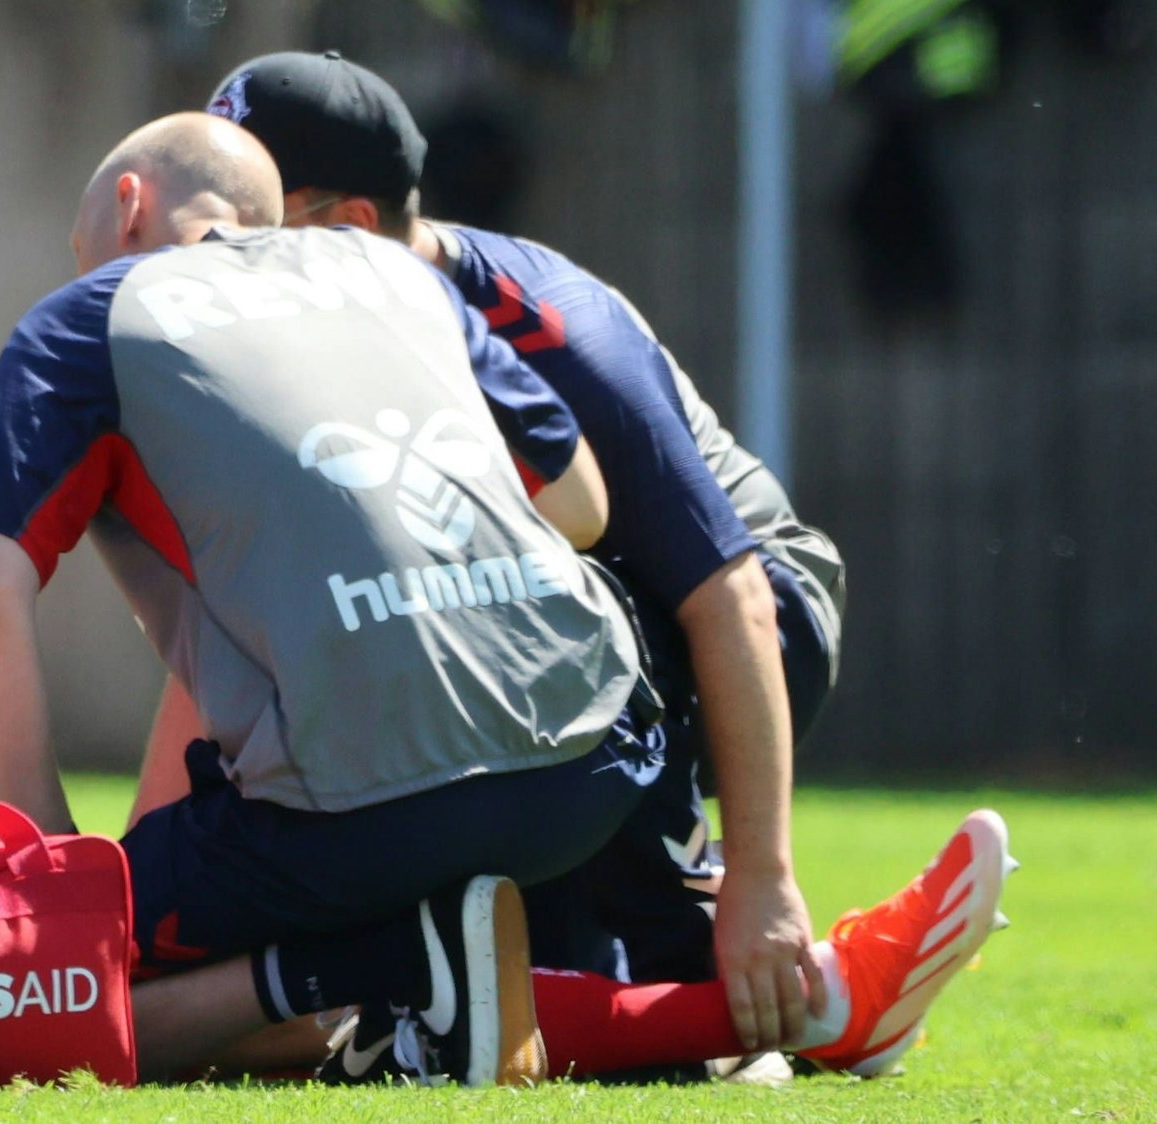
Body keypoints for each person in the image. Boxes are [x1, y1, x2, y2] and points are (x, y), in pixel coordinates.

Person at [201, 50, 849, 1052]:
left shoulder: (553, 327)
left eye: (245, 220)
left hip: (755, 612)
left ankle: (705, 922)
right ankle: (774, 1007)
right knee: (512, 988)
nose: (211, 255)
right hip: (578, 642)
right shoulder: (305, 337)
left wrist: (766, 881)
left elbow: (731, 597)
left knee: (503, 601)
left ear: (345, 226)